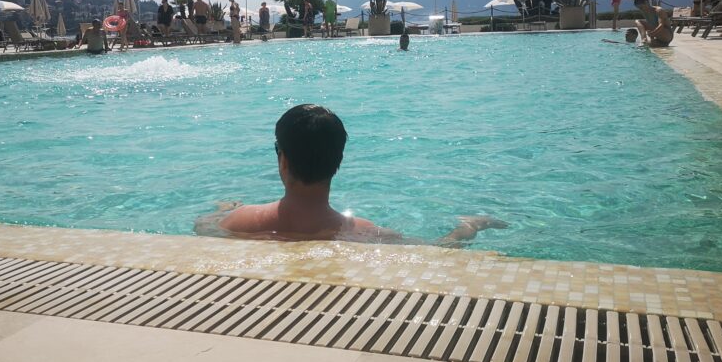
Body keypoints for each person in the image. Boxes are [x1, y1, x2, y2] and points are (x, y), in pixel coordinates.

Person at [195, 104, 507, 245]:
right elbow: (441, 248)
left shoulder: (240, 221)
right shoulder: (365, 233)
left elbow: (202, 226)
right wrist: (468, 227)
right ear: (339, 161)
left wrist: (226, 209)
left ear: (283, 161)